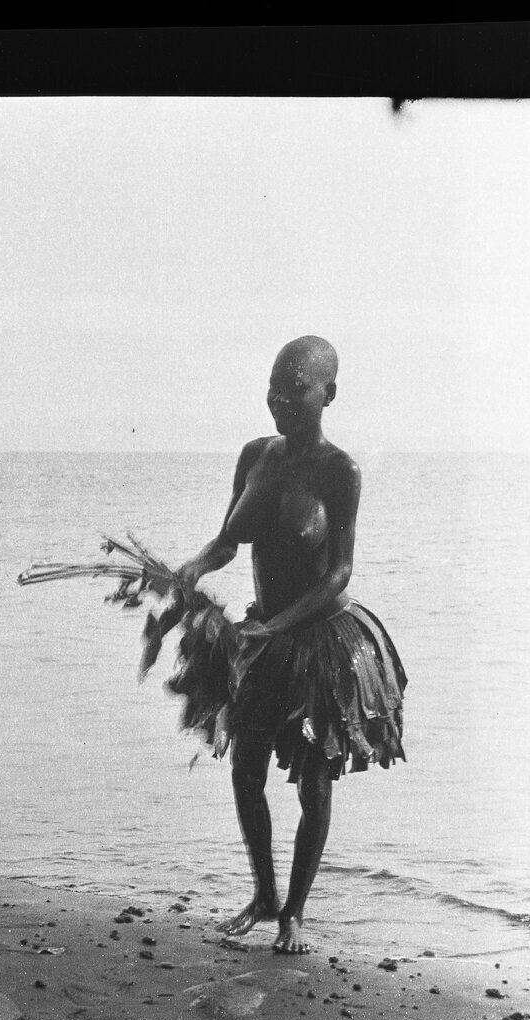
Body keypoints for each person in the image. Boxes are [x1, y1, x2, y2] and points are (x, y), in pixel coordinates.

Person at [174, 336, 406, 955]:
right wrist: (194, 567)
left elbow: (338, 573)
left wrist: (276, 629)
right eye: (273, 386)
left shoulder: (340, 471)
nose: (279, 398)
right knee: (247, 772)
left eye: (294, 388)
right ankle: (263, 895)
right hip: (263, 634)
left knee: (314, 782)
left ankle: (295, 914)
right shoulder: (256, 456)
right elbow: (229, 541)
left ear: (327, 394)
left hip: (322, 642)